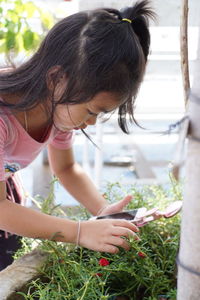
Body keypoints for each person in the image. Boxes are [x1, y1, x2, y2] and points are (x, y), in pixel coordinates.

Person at [0, 0, 155, 271]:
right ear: (56, 79)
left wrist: (103, 212)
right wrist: (80, 232)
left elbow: (67, 168)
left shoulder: (55, 107)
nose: (91, 123)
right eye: (91, 111)